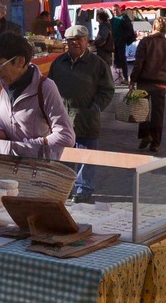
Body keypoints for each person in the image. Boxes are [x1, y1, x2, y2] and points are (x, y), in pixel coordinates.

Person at [0, 34, 74, 160]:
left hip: (34, 168)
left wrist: (24, 147)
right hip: (3, 164)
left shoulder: (45, 87)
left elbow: (66, 136)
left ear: (20, 61)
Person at [47, 25, 115, 201]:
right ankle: (65, 187)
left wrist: (96, 107)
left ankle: (84, 190)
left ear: (86, 41)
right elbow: (49, 88)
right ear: (66, 42)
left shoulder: (97, 64)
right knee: (65, 156)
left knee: (87, 155)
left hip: (86, 117)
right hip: (62, 120)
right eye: (71, 40)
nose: (75, 43)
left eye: (79, 39)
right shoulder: (59, 63)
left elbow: (107, 90)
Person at [131, 17, 166, 153]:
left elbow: (138, 63)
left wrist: (132, 80)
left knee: (142, 111)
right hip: (160, 84)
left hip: (144, 82)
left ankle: (145, 135)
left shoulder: (145, 42)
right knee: (157, 114)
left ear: (153, 26)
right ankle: (156, 143)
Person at [108, 5, 136, 83]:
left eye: (116, 10)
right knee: (116, 60)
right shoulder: (112, 20)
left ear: (119, 10)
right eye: (113, 10)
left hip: (121, 42)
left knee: (122, 59)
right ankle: (118, 76)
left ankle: (126, 78)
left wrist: (124, 39)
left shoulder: (124, 18)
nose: (115, 12)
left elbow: (129, 30)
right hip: (114, 42)